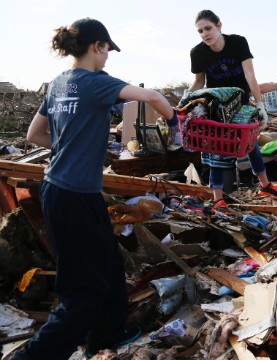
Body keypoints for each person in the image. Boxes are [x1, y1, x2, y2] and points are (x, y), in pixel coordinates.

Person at [11, 18, 177, 360]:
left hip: (63, 192)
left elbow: (34, 136)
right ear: (96, 46)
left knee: (110, 265)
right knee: (81, 292)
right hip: (73, 198)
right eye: (107, 50)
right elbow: (151, 96)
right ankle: (29, 357)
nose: (108, 58)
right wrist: (175, 123)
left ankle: (105, 338)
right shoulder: (96, 81)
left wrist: (71, 146)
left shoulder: (58, 83)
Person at [182, 10, 277, 218]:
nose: (205, 34)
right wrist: (187, 98)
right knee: (217, 146)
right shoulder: (198, 52)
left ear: (219, 25)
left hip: (241, 103)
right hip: (216, 106)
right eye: (200, 31)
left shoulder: (237, 43)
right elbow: (200, 81)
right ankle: (217, 198)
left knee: (251, 143)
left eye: (208, 28)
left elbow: (250, 75)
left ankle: (265, 185)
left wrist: (260, 105)